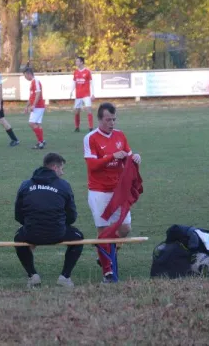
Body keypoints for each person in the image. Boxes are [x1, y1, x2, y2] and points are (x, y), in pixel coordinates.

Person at [83, 102, 141, 283]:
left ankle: (104, 253)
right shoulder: (91, 138)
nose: (112, 123)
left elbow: (128, 157)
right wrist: (111, 157)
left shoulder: (120, 135)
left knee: (125, 228)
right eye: (108, 120)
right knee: (104, 232)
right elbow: (91, 165)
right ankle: (108, 273)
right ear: (100, 119)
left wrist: (135, 158)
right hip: (99, 192)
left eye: (114, 119)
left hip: (118, 192)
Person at [14, 153, 83, 288]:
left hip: (31, 233)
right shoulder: (64, 185)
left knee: (18, 238)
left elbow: (18, 215)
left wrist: (31, 224)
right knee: (78, 237)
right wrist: (60, 224)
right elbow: (72, 216)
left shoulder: (25, 185)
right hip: (57, 233)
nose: (62, 173)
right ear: (55, 167)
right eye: (62, 169)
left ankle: (33, 276)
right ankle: (65, 277)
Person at [23, 67, 46, 149]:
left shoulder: (36, 81)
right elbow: (32, 96)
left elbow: (38, 93)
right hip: (38, 106)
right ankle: (41, 141)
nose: (25, 77)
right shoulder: (32, 82)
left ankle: (40, 142)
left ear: (29, 74)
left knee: (32, 123)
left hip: (38, 106)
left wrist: (34, 105)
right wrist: (26, 106)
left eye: (25, 75)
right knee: (38, 124)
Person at [70, 56, 94, 133]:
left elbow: (91, 83)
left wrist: (92, 94)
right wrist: (71, 91)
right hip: (78, 95)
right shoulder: (76, 72)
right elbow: (74, 82)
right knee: (77, 111)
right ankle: (77, 127)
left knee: (88, 110)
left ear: (82, 62)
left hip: (86, 94)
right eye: (76, 61)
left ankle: (91, 127)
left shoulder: (87, 71)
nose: (76, 63)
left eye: (77, 61)